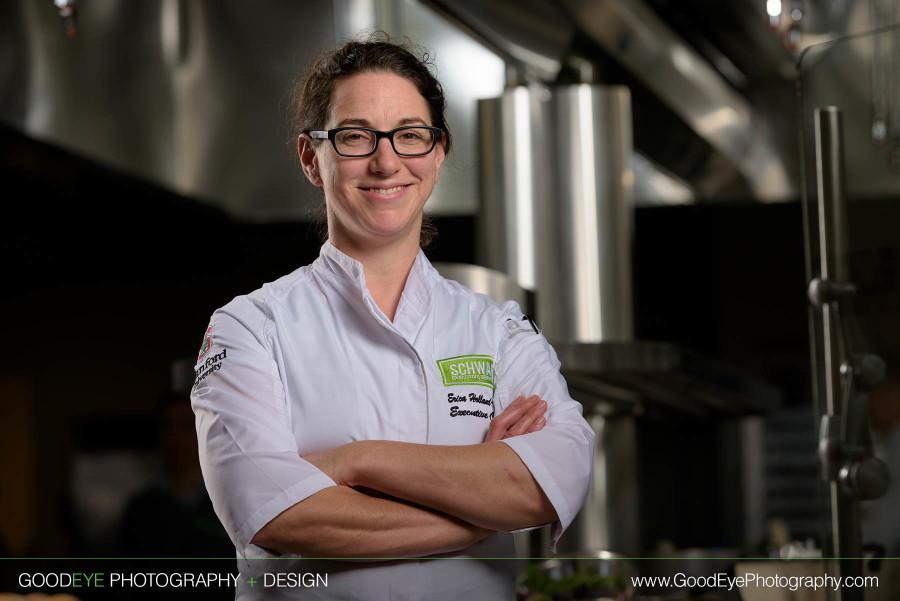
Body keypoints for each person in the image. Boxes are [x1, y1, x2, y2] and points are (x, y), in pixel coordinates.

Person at [190, 35, 595, 600]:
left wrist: (358, 462)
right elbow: (272, 512)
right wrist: (481, 513)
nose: (386, 162)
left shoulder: (499, 330)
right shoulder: (251, 328)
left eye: (410, 135)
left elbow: (557, 478)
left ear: (437, 154)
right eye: (356, 137)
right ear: (312, 157)